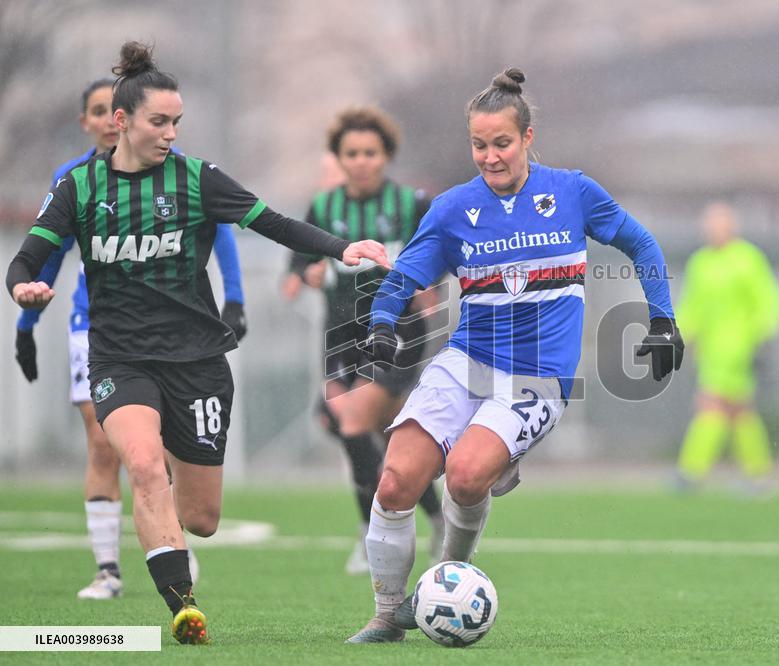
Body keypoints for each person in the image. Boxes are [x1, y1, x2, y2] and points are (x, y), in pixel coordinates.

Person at [6, 42, 389, 644]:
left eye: (177, 121)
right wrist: (22, 288)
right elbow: (30, 256)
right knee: (143, 464)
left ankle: (175, 541)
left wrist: (342, 248)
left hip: (198, 362)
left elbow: (274, 223)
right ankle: (182, 605)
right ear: (121, 121)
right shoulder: (79, 187)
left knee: (203, 517)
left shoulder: (196, 178)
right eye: (159, 121)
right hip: (120, 358)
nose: (170, 132)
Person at [345, 68, 683, 644]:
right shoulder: (454, 208)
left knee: (466, 475)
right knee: (396, 480)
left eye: (502, 143)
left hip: (538, 377)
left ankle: (444, 578)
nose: (490, 157)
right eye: (479, 145)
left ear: (528, 138)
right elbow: (403, 277)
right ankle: (386, 615)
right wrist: (380, 325)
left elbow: (641, 243)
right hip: (466, 360)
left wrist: (662, 318)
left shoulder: (573, 192)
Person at [13, 78, 247, 601]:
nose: (102, 120)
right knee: (114, 448)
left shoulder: (185, 174)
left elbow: (229, 228)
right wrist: (25, 323)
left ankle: (166, 526)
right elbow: (42, 257)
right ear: (104, 121)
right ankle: (114, 573)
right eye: (94, 111)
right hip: (100, 331)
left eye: (172, 122)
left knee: (194, 506)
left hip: (184, 345)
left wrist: (235, 299)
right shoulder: (74, 181)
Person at [282, 106, 444, 576]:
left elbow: (441, 251)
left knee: (351, 420)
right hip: (339, 332)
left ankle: (374, 532)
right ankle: (437, 518)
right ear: (340, 157)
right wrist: (303, 273)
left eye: (370, 152)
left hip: (398, 329)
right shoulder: (325, 208)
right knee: (380, 430)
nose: (361, 161)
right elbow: (300, 261)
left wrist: (429, 282)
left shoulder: (411, 204)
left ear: (386, 156)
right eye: (351, 153)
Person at [673, 203, 779, 492]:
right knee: (739, 411)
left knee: (711, 404)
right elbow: (693, 305)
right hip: (711, 349)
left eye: (719, 224)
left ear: (731, 227)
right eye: (709, 224)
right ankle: (759, 476)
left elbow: (767, 300)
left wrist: (761, 335)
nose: (713, 230)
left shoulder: (747, 259)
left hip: (739, 347)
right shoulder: (701, 262)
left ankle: (691, 472)